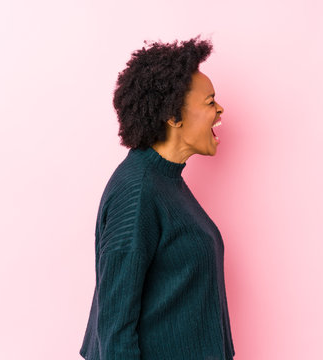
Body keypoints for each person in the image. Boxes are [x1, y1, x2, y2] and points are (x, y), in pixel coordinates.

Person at [79, 35, 235, 360]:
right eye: (209, 102)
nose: (220, 109)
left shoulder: (167, 182)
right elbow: (115, 330)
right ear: (173, 116)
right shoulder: (137, 193)